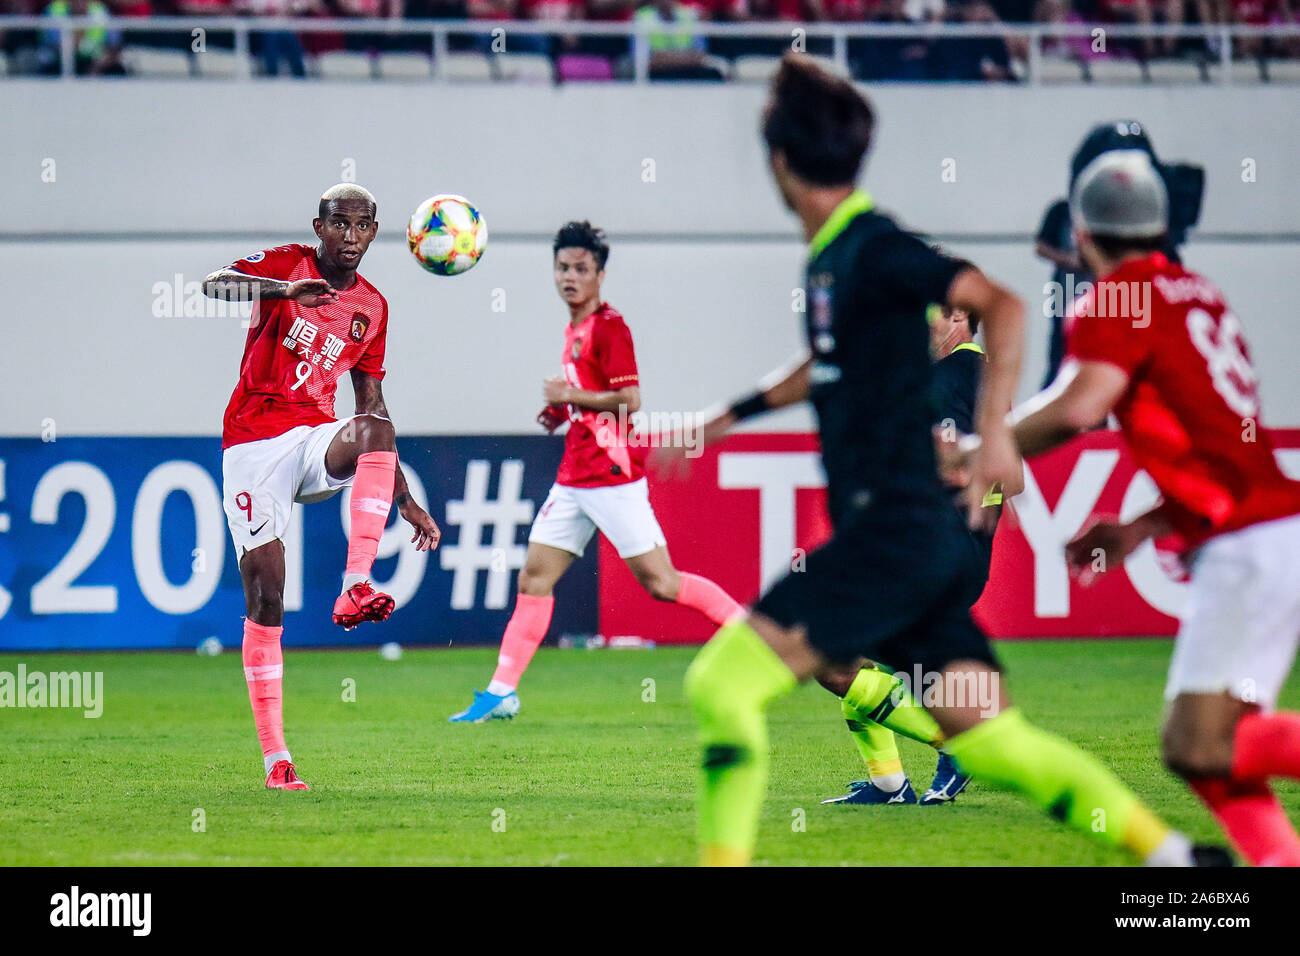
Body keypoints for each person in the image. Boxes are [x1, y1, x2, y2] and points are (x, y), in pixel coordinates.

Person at [658, 54, 1226, 867]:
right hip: (916, 544)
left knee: (721, 686)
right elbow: (821, 363)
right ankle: (1179, 860)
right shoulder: (836, 260)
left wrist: (994, 435)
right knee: (993, 742)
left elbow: (1004, 303)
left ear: (779, 163)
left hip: (888, 535)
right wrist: (726, 419)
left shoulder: (876, 248)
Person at [986, 150, 1300, 866]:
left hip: (1248, 543)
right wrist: (1139, 527)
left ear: (1079, 232)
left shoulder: (1115, 300)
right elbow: (1214, 446)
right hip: (1269, 527)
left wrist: (985, 445)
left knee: (1196, 742)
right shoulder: (1198, 292)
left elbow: (1078, 408)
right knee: (1208, 754)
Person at [448, 221, 745, 723]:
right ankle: (502, 692)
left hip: (611, 474)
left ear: (600, 274)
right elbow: (593, 402)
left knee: (662, 583)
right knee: (535, 578)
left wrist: (570, 396)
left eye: (581, 268)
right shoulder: (574, 330)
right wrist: (563, 413)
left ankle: (751, 636)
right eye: (563, 267)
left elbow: (630, 402)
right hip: (574, 476)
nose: (570, 276)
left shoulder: (610, 328)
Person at [204, 184, 441, 790]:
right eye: (340, 225)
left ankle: (356, 585)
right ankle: (276, 760)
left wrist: (406, 502)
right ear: (319, 226)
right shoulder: (288, 264)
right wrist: (283, 292)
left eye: (363, 227)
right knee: (266, 597)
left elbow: (373, 407)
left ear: (375, 232)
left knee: (373, 426)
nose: (351, 237)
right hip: (254, 446)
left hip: (314, 440)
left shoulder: (374, 308)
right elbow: (214, 284)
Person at [820, 305, 1020, 807]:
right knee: (858, 659)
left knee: (835, 656)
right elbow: (998, 468)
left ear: (958, 316)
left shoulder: (953, 374)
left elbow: (952, 462)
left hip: (929, 549)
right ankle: (890, 783)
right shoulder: (977, 373)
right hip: (946, 548)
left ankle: (957, 744)